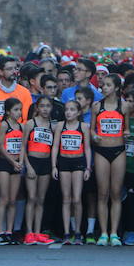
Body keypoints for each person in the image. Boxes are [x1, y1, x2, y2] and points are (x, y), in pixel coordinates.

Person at [91, 74, 131, 246]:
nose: (103, 88)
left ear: (116, 87)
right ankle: (103, 233)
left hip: (118, 151)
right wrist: (94, 136)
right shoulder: (96, 106)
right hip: (101, 151)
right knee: (102, 193)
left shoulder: (124, 106)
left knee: (116, 193)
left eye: (107, 85)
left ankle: (114, 233)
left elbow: (127, 129)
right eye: (103, 85)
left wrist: (126, 133)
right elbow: (91, 130)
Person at [52, 99, 91, 244]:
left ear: (79, 112)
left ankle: (78, 232)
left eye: (72, 110)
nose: (69, 112)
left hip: (78, 162)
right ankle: (67, 233)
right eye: (67, 109)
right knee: (66, 198)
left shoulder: (83, 126)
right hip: (63, 162)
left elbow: (87, 147)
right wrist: (54, 166)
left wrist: (88, 167)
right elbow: (55, 146)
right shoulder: (60, 126)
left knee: (77, 198)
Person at [23, 95, 55, 245]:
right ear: (37, 108)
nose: (45, 109)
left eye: (48, 106)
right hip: (32, 162)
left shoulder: (52, 126)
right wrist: (28, 166)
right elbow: (23, 147)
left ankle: (37, 231)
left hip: (46, 163)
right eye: (42, 106)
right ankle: (29, 232)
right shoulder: (30, 124)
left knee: (41, 199)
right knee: (32, 198)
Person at [0, 98, 25, 245]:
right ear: (7, 111)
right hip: (4, 163)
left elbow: (23, 147)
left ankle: (10, 231)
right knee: (4, 198)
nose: (19, 112)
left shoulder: (21, 127)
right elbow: (0, 146)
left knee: (13, 200)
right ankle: (0, 232)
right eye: (15, 109)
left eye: (20, 109)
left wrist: (20, 162)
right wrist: (12, 161)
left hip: (16, 164)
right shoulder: (4, 125)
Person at [0, 55, 32, 120]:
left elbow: (26, 118)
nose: (14, 71)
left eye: (15, 68)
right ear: (0, 72)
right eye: (9, 69)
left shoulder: (25, 92)